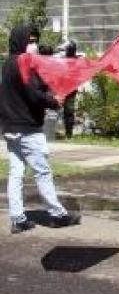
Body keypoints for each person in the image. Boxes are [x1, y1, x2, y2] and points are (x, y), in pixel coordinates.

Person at [0, 25, 81, 233]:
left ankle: (18, 218)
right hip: (28, 129)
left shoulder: (8, 64)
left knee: (16, 172)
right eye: (30, 41)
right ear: (20, 42)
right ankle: (57, 214)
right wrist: (54, 101)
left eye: (35, 40)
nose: (34, 45)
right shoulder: (22, 64)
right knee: (42, 171)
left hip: (11, 128)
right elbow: (33, 94)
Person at [60, 41, 79, 139]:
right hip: (65, 89)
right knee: (68, 112)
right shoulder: (74, 60)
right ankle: (68, 133)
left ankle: (68, 133)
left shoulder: (71, 60)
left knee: (68, 111)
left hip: (68, 89)